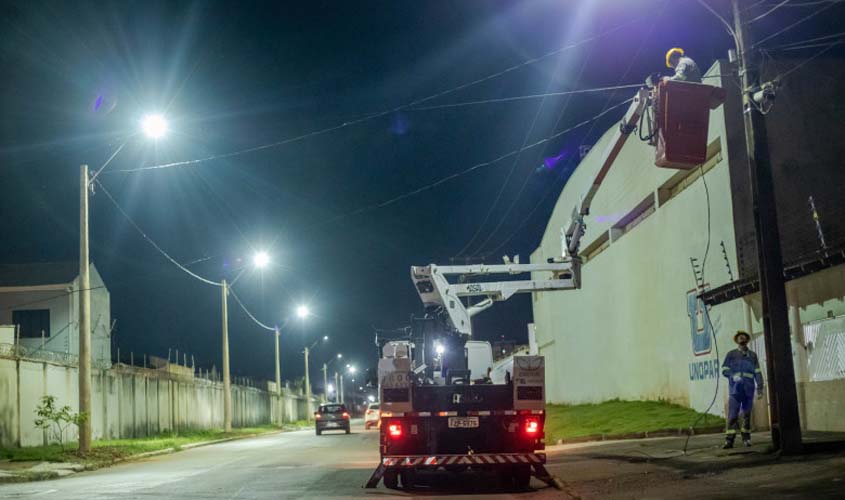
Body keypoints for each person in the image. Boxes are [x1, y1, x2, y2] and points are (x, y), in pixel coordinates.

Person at [721, 330, 764, 448]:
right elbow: (724, 369)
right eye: (739, 337)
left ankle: (746, 439)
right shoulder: (731, 354)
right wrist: (732, 375)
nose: (741, 338)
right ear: (736, 340)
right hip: (735, 390)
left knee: (746, 415)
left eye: (743, 336)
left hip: (748, 390)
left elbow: (758, 372)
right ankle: (729, 440)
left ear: (747, 340)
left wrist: (760, 388)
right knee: (732, 415)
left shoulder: (753, 356)